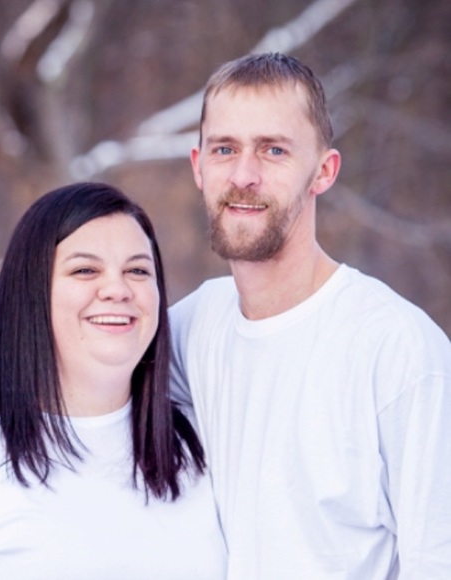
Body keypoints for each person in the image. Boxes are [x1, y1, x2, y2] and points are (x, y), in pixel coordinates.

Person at [170, 52, 451, 579]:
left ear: (324, 171)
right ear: (198, 166)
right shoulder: (193, 327)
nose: (244, 175)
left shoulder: (399, 349)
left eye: (273, 150)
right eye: (225, 149)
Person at [0, 182, 226, 580]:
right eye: (85, 270)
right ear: (30, 291)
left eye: (138, 271)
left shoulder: (199, 444)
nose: (118, 289)